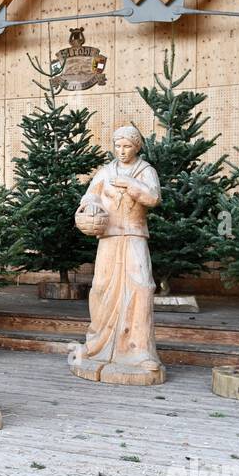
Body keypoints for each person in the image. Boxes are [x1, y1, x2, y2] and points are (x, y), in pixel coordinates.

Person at [69, 124, 163, 382]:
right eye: (118, 146)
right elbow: (89, 197)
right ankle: (97, 344)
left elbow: (154, 198)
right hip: (109, 236)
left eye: (127, 146)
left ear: (137, 147)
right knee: (101, 288)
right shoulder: (105, 171)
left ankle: (140, 351)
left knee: (142, 288)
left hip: (134, 235)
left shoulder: (145, 171)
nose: (122, 151)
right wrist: (90, 206)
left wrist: (130, 183)